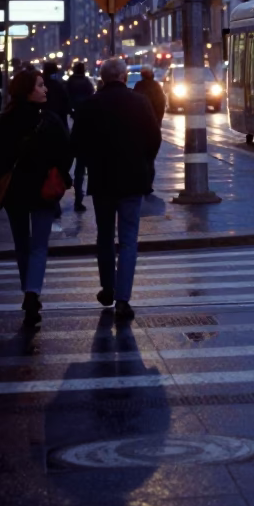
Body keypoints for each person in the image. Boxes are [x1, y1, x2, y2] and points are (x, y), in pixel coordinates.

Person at [72, 56, 162, 321]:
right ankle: (123, 299)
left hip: (102, 181)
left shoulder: (90, 104)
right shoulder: (140, 102)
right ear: (124, 77)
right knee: (128, 239)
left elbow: (76, 142)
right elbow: (154, 139)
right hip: (133, 180)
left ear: (102, 78)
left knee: (104, 237)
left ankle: (107, 288)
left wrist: (91, 163)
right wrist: (144, 163)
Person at [0, 69, 72, 324]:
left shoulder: (4, 120)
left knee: (21, 244)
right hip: (43, 191)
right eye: (40, 85)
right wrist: (60, 175)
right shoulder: (50, 120)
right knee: (39, 245)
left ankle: (27, 290)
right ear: (28, 89)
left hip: (15, 193)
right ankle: (32, 293)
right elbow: (66, 152)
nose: (46, 89)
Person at [66, 61, 95, 211]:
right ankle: (92, 193)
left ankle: (78, 197)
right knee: (91, 168)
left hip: (77, 129)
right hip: (89, 130)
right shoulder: (87, 83)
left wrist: (72, 112)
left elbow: (67, 99)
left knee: (78, 169)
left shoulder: (70, 82)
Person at [133, 66, 166, 193]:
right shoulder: (156, 87)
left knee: (141, 156)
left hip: (140, 126)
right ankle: (148, 184)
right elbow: (161, 105)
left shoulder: (138, 86)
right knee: (150, 157)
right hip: (153, 126)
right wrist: (158, 120)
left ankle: (143, 182)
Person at [40, 60, 71, 129]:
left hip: (46, 117)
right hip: (59, 116)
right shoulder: (59, 85)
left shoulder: (41, 85)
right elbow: (65, 99)